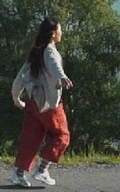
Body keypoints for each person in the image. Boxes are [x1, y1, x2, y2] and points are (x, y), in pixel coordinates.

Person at [10, 16, 73, 187]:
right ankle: (42, 170)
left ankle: (19, 174)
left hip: (32, 103)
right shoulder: (50, 51)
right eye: (60, 30)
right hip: (49, 106)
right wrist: (62, 76)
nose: (62, 33)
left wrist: (17, 99)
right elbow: (54, 65)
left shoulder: (35, 52)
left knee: (30, 139)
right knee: (62, 136)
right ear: (53, 34)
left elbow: (19, 80)